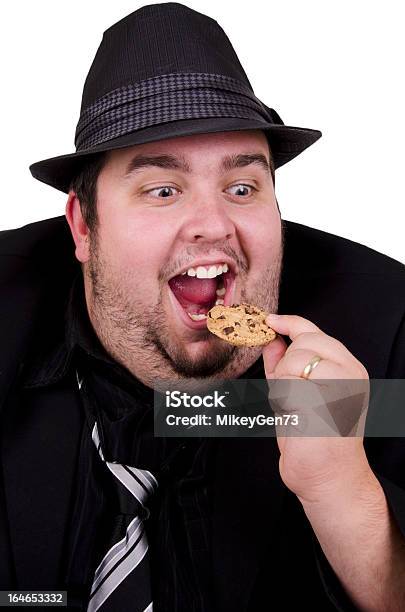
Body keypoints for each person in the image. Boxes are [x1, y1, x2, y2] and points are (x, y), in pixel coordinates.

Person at [1, 3, 405, 611]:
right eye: (162, 190)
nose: (214, 225)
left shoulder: (386, 325)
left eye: (242, 188)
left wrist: (341, 487)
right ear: (84, 226)